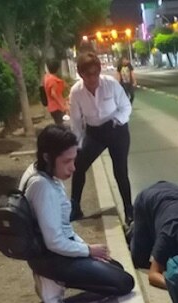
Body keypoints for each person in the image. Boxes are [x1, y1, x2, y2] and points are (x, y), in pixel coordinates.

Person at [21, 124, 134, 303]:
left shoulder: (37, 170)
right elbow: (54, 242)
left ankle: (61, 276)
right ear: (47, 157)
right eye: (67, 162)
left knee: (116, 268)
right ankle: (55, 280)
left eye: (74, 160)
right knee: (124, 283)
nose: (73, 168)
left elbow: (63, 228)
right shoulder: (42, 187)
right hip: (52, 258)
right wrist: (88, 251)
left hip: (54, 252)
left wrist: (85, 251)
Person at [68, 51, 134, 226]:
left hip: (116, 130)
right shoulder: (76, 92)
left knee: (120, 171)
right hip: (94, 133)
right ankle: (75, 206)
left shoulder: (110, 84)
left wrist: (117, 121)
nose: (93, 78)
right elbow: (75, 121)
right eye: (88, 74)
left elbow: (126, 107)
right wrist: (77, 145)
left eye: (96, 73)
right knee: (78, 166)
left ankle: (129, 211)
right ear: (80, 73)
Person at [43, 58, 69, 125]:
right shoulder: (53, 80)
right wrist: (62, 106)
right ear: (57, 68)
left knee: (59, 125)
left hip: (52, 107)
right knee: (61, 125)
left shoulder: (47, 78)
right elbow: (53, 94)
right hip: (57, 107)